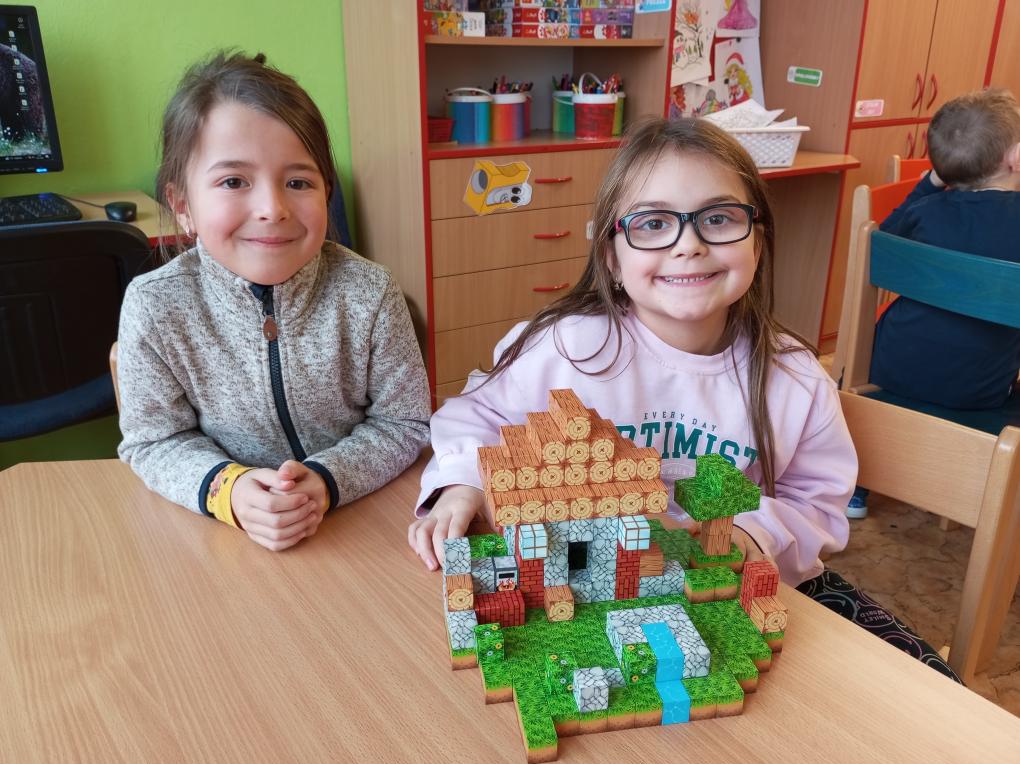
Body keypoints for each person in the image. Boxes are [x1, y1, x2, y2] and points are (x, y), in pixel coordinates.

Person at [408, 117, 961, 681]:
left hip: (731, 586)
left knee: (925, 680)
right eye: (652, 223)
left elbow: (817, 502)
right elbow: (477, 414)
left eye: (718, 218)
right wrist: (464, 482)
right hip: (583, 583)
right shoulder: (563, 346)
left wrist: (754, 533)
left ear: (758, 240)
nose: (689, 245)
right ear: (611, 255)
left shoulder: (795, 376)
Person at [118, 51, 431, 551]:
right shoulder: (156, 306)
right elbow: (154, 441)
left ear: (326, 193)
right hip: (222, 538)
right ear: (183, 206)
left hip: (356, 523)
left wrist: (326, 480)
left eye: (298, 182)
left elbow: (406, 422)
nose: (272, 208)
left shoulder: (371, 292)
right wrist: (229, 490)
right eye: (233, 182)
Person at [849, 88, 1020, 519]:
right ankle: (989, 496)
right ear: (1015, 158)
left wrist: (929, 183)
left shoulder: (926, 209)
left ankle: (856, 490)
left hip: (887, 374)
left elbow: (881, 240)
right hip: (978, 396)